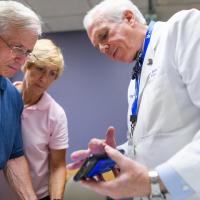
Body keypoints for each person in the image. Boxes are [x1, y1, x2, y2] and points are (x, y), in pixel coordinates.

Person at [67, 0, 200, 199]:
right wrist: (115, 154)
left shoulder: (182, 28)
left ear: (129, 18)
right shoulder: (135, 80)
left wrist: (155, 180)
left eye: (104, 36)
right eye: (97, 47)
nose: (103, 48)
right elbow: (150, 141)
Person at [14, 38, 69, 200]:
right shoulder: (5, 98)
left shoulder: (55, 114)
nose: (44, 79)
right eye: (40, 69)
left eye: (52, 73)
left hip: (39, 195)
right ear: (26, 64)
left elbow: (58, 166)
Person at [0, 1, 41, 199]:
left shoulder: (12, 97)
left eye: (27, 52)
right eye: (17, 47)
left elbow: (13, 158)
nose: (22, 59)